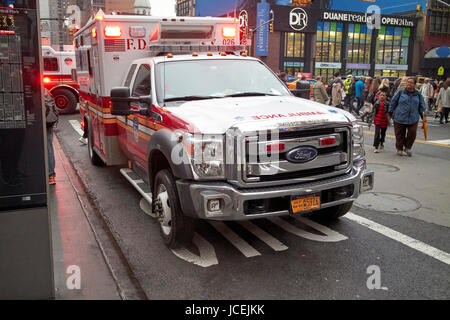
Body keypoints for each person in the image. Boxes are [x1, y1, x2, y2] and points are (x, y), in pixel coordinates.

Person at [388, 77, 426, 157]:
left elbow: (422, 105)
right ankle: (400, 148)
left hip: (413, 118)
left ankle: (408, 147)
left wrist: (423, 115)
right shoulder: (400, 92)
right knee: (399, 134)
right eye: (408, 82)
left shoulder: (418, 94)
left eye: (411, 83)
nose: (409, 84)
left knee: (412, 133)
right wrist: (390, 112)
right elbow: (393, 102)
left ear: (414, 84)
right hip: (399, 117)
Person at [45, 89, 59, 184]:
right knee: (49, 147)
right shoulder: (45, 91)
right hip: (48, 122)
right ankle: (51, 176)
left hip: (36, 123)